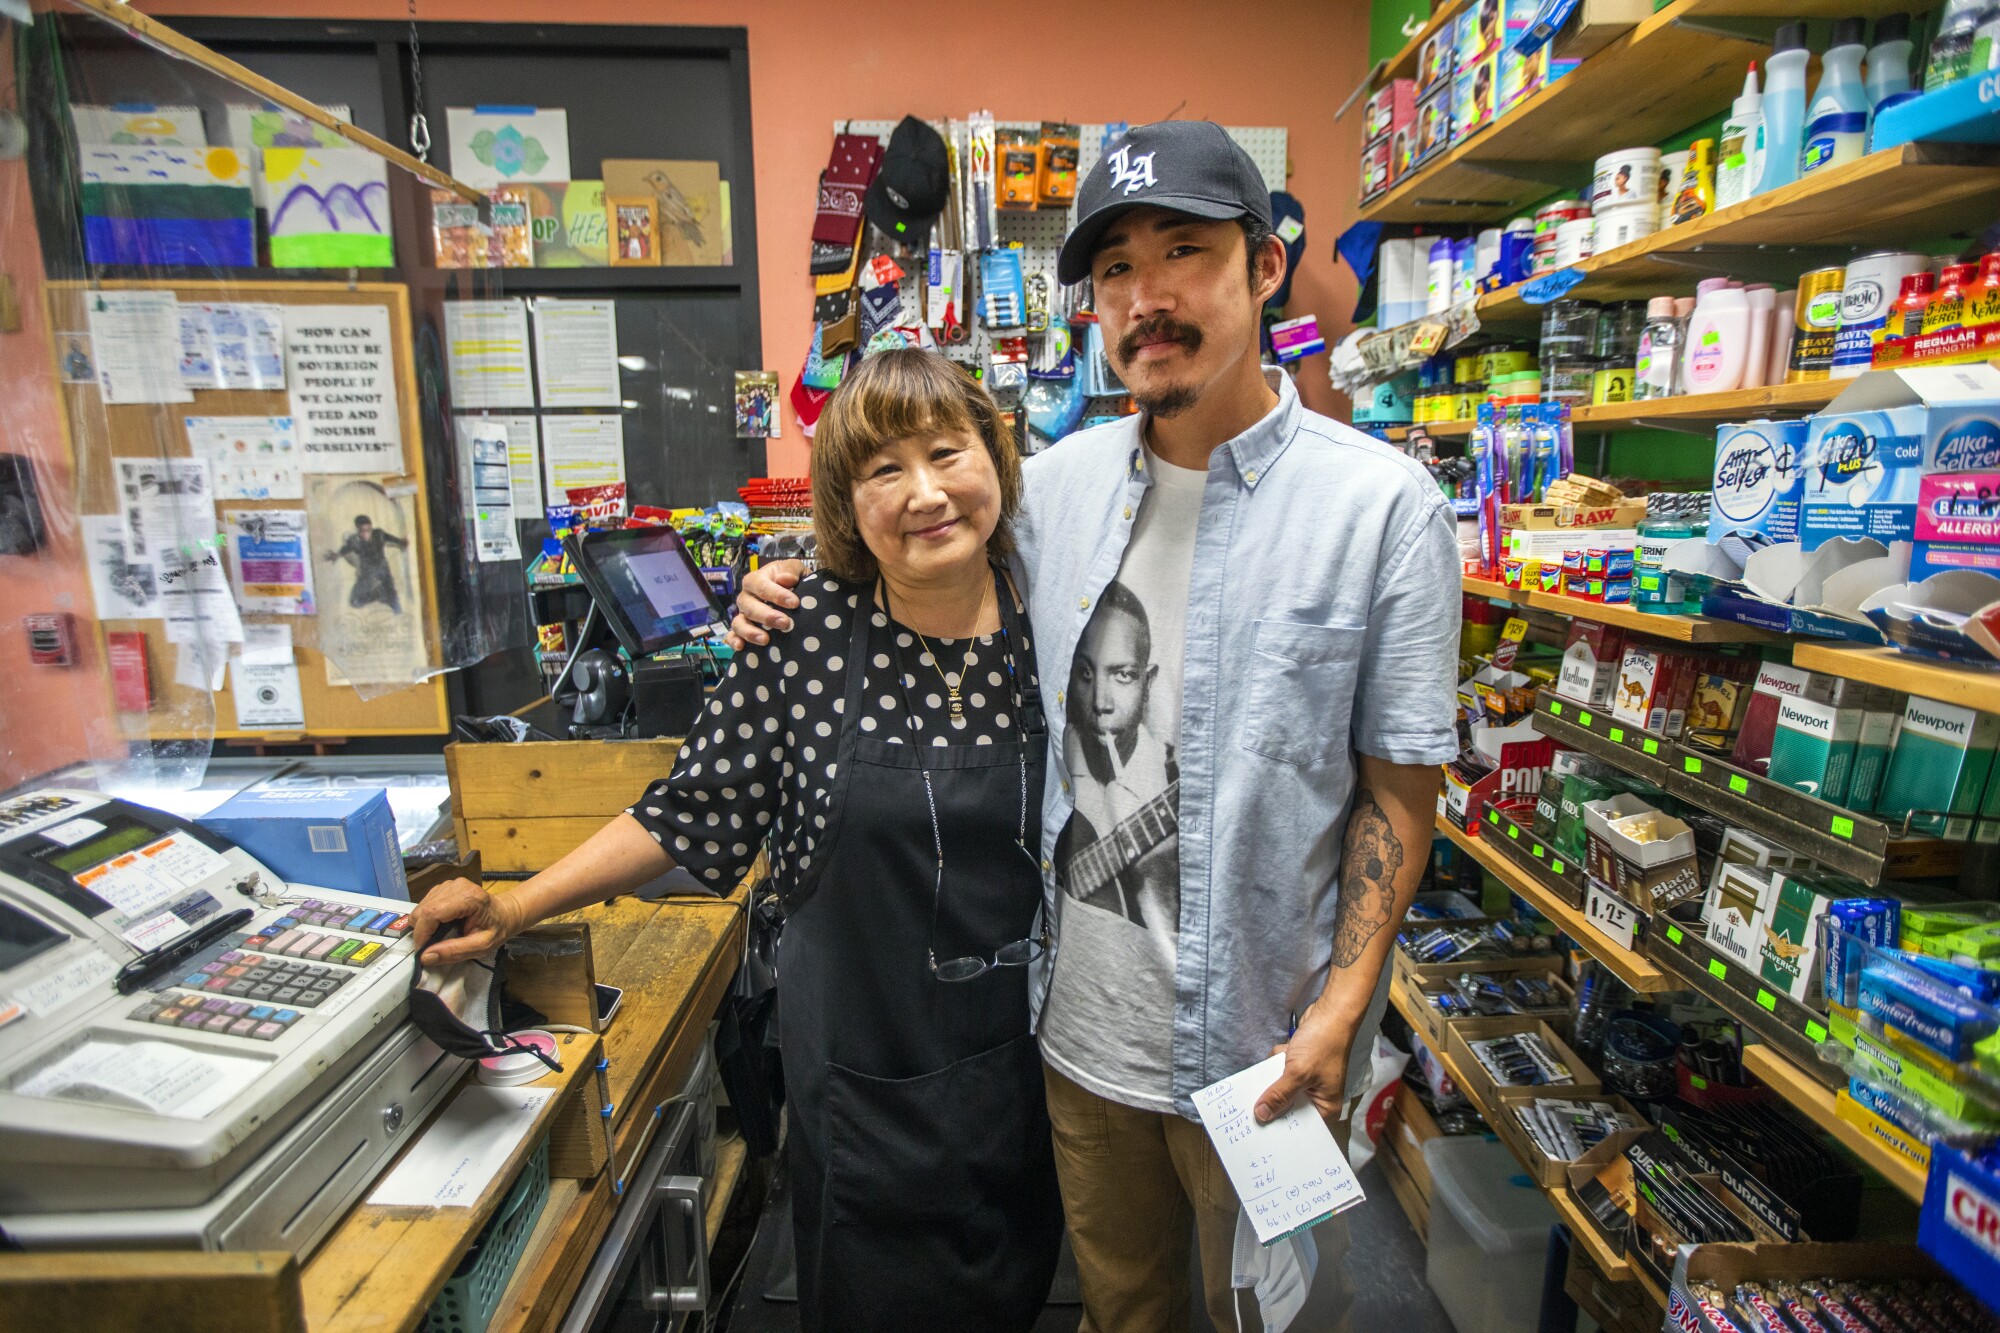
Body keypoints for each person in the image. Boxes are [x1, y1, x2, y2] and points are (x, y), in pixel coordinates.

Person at [732, 120, 1461, 1333]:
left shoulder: (1380, 509)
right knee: (1122, 1314)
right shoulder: (1054, 489)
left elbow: (1398, 792)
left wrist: (1339, 1014)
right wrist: (795, 587)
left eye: (1183, 251)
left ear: (1263, 266)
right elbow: (925, 565)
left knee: (1269, 1322)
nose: (1147, 296)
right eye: (1115, 268)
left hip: (1262, 1053)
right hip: (1076, 1045)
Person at [411, 348, 1062, 1333]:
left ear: (995, 464)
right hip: (862, 1086)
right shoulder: (803, 633)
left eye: (945, 452)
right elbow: (687, 810)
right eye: (884, 469)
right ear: (847, 502)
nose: (925, 492)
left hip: (1023, 1069)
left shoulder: (1050, 617)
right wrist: (509, 907)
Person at [324, 514, 407, 613]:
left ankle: (390, 601)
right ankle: (378, 595)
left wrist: (402, 542)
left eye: (368, 530)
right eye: (362, 531)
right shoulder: (355, 540)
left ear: (371, 528)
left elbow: (393, 539)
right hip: (367, 572)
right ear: (358, 530)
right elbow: (345, 549)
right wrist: (336, 555)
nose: (365, 534)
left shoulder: (378, 534)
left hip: (382, 569)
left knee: (394, 600)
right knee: (355, 602)